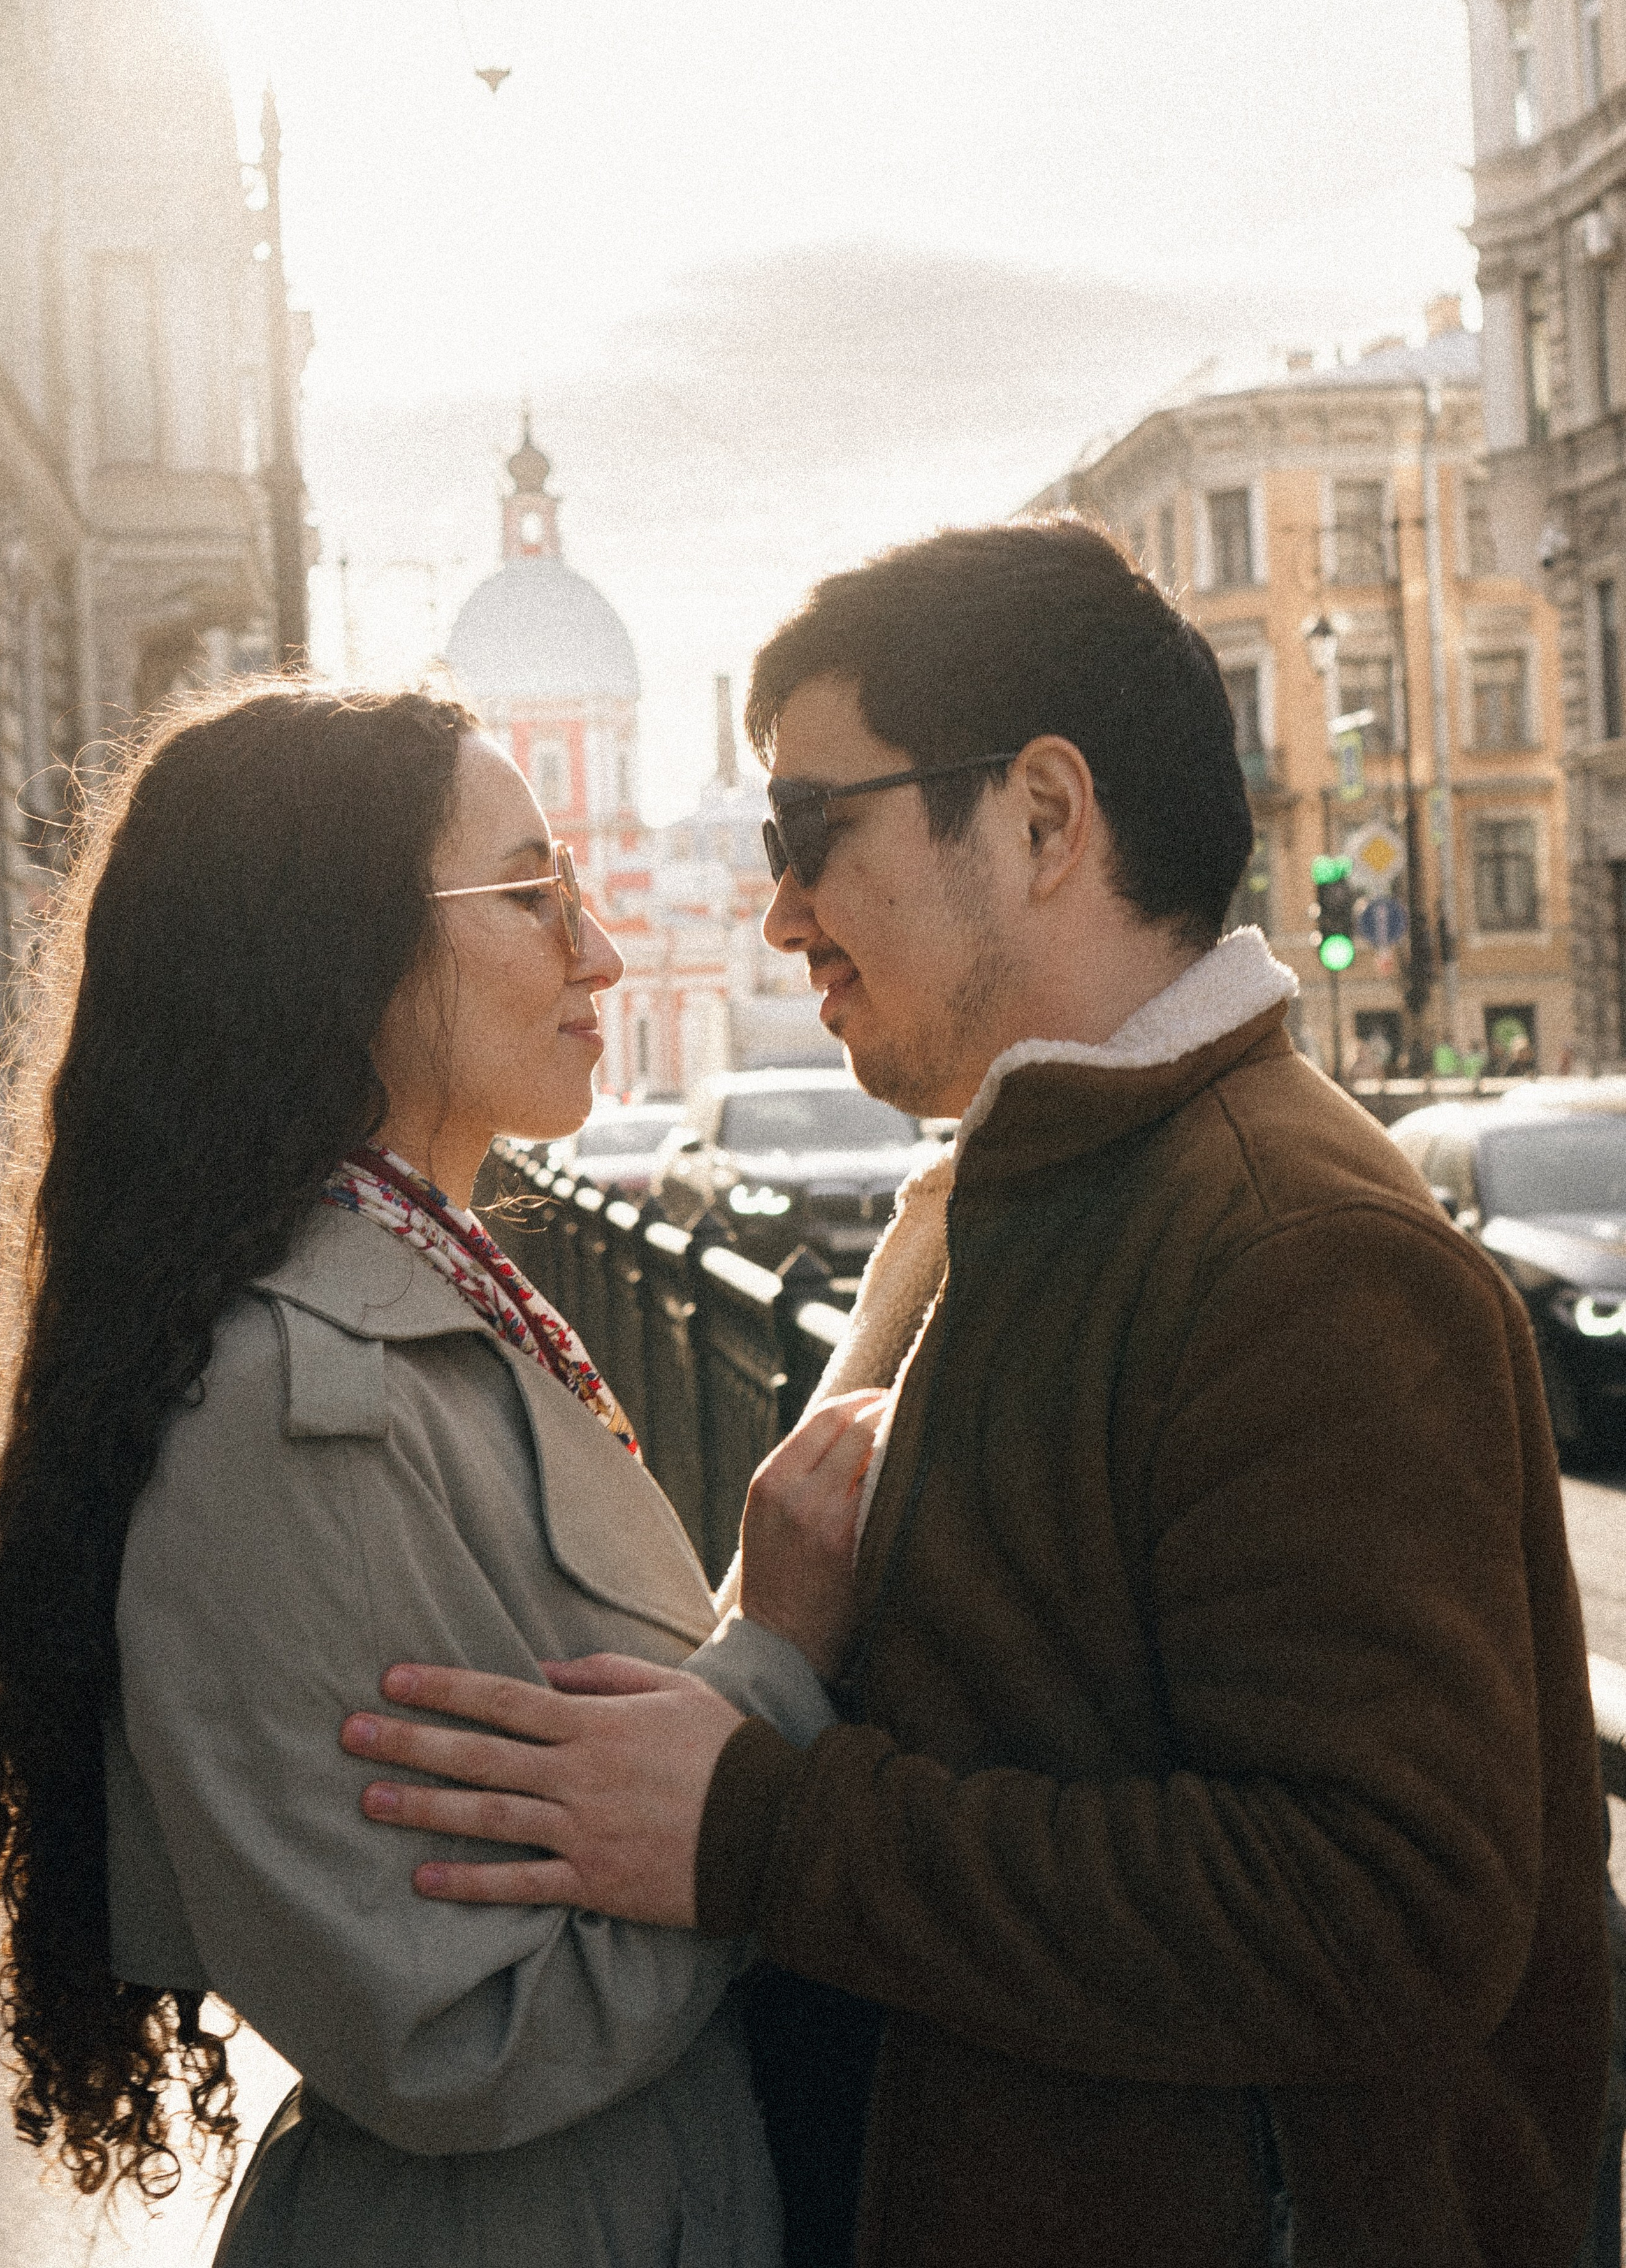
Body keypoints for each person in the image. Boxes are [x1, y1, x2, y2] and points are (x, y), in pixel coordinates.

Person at [347, 521, 1611, 2268]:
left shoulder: (1293, 1245)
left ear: (1039, 820)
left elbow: (1386, 1911)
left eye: (813, 832)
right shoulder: (1062, 1190)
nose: (780, 909)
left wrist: (759, 1829)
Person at [0, 682, 875, 2267]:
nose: (596, 950)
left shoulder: (424, 1299)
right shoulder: (281, 1401)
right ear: (341, 949)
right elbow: (458, 2029)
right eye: (529, 895)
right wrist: (781, 1680)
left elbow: (593, 1731)